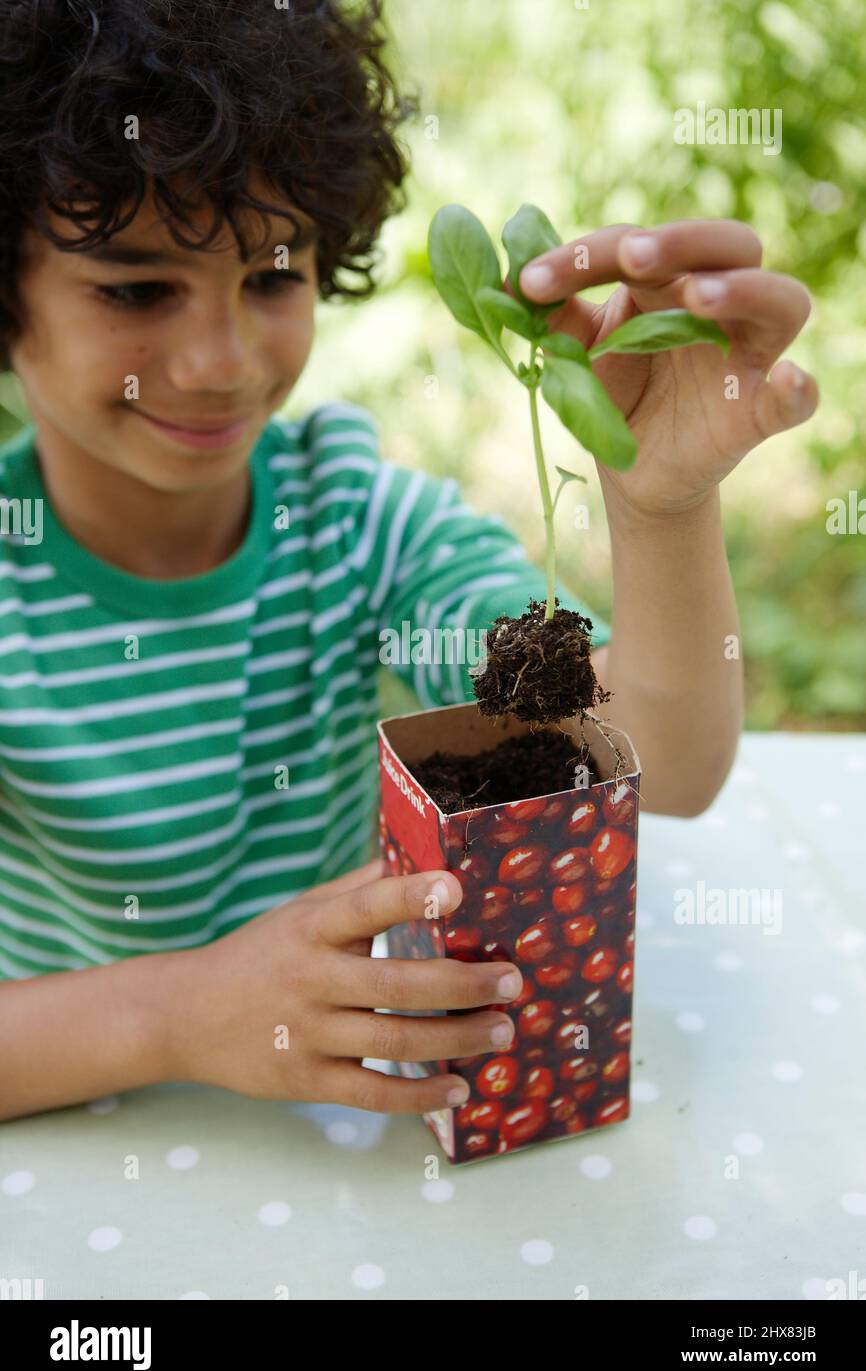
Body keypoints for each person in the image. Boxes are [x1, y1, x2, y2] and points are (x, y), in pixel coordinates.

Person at [0, 1, 817, 1122]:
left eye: (274, 277)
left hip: (339, 1138)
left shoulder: (357, 529)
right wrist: (180, 1013)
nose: (220, 359)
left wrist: (660, 505)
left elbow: (665, 763)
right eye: (136, 289)